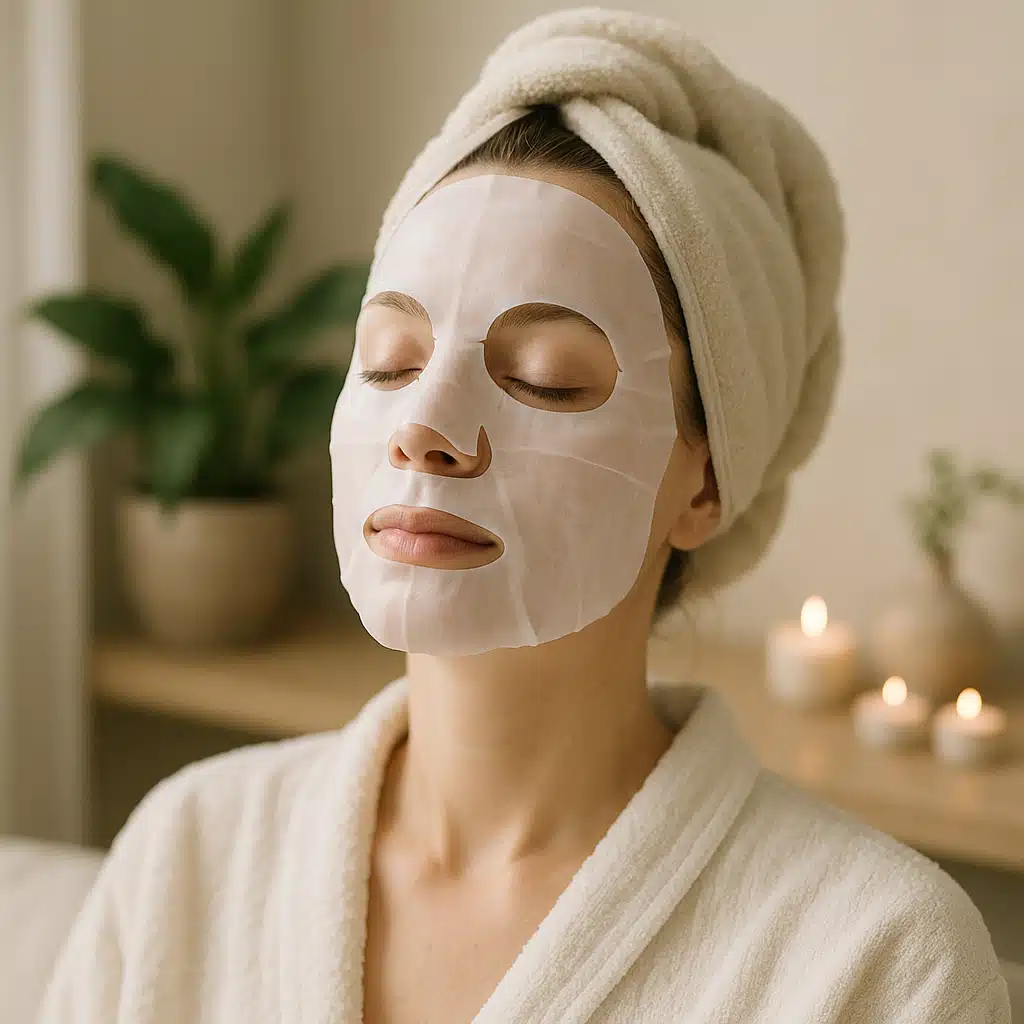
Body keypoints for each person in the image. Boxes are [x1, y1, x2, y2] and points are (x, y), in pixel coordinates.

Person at [40, 9, 1010, 1023]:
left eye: (545, 381)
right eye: (389, 361)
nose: (425, 429)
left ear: (706, 480)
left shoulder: (878, 962)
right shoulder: (189, 853)